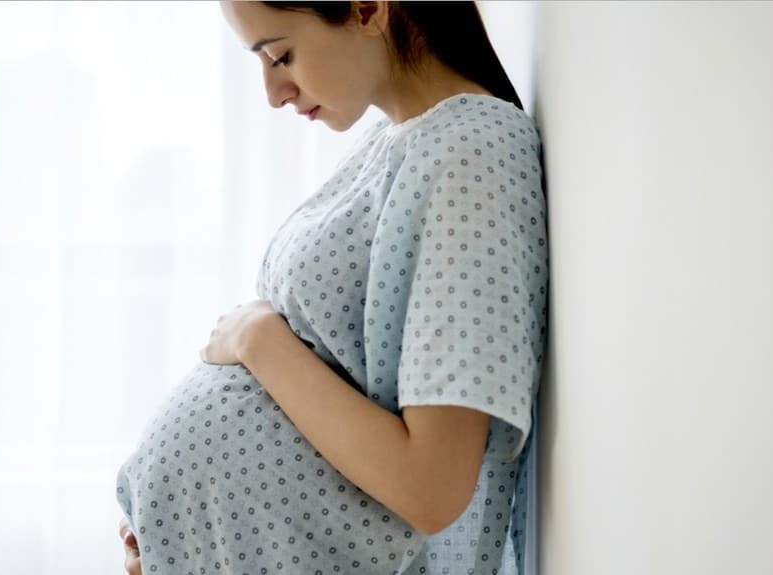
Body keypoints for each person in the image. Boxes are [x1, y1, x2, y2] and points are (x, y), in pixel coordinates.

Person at [115, 1, 547, 574]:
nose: (274, 92)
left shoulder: (471, 153)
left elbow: (433, 486)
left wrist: (258, 340)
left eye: (281, 55)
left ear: (368, 8)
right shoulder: (398, 141)